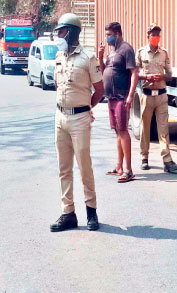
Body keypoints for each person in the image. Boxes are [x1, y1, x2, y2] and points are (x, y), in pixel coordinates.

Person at [51, 13, 104, 232]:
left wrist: (87, 107)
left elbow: (99, 90)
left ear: (72, 32)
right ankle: (68, 213)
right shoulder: (59, 57)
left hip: (80, 119)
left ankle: (91, 211)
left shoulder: (88, 58)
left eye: (62, 31)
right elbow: (58, 85)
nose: (59, 36)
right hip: (60, 117)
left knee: (84, 167)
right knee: (64, 168)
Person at [136, 24, 177, 173]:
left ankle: (167, 161)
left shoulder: (164, 53)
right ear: (148, 36)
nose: (156, 37)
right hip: (147, 96)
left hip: (161, 96)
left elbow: (169, 75)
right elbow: (134, 74)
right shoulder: (141, 53)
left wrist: (162, 76)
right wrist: (146, 77)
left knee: (163, 129)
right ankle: (144, 158)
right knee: (145, 128)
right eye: (153, 34)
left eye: (158, 34)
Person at [99, 22, 138, 183]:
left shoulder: (126, 49)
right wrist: (100, 57)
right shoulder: (112, 51)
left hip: (122, 97)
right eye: (106, 34)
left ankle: (128, 170)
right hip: (111, 98)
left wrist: (130, 96)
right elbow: (104, 71)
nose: (107, 37)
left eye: (109, 35)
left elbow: (134, 73)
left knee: (123, 131)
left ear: (118, 34)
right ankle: (119, 166)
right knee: (118, 132)